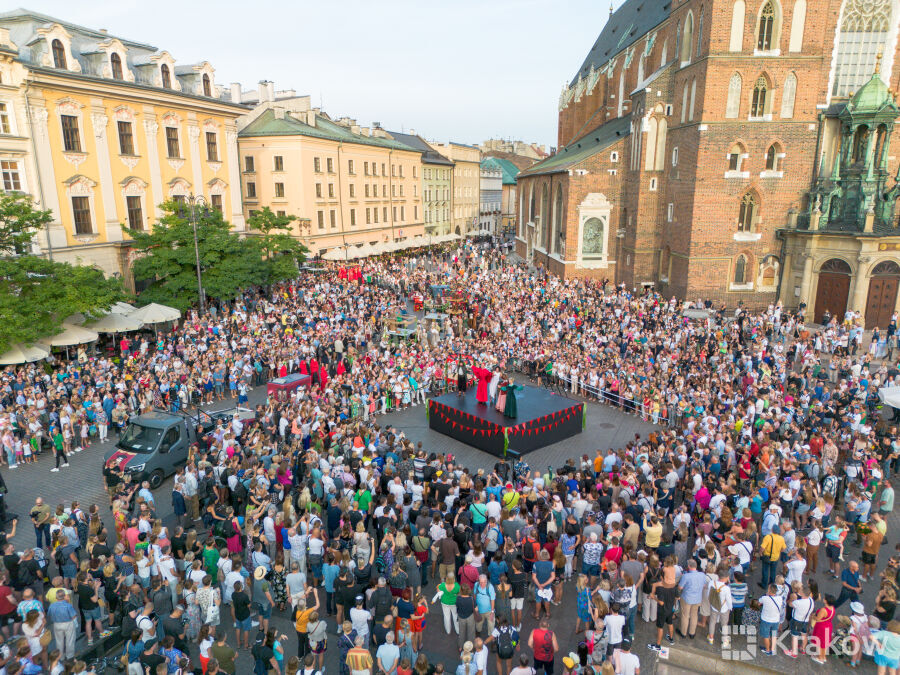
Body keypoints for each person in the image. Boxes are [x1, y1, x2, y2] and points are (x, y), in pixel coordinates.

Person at [810, 594, 836, 665]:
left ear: (826, 601)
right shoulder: (833, 608)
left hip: (821, 627)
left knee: (820, 643)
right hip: (828, 626)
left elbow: (818, 619)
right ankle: (823, 656)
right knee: (824, 643)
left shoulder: (823, 610)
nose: (823, 598)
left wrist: (813, 616)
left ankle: (820, 658)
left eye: (825, 598)